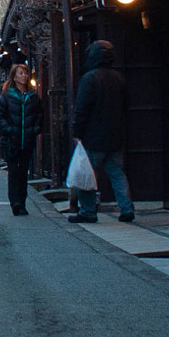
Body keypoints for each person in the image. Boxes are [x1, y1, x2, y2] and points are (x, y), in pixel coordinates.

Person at [69, 40, 134, 224]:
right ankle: (126, 208)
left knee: (86, 173)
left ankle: (88, 211)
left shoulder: (89, 78)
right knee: (117, 172)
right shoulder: (118, 78)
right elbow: (126, 106)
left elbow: (82, 108)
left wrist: (77, 132)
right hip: (115, 135)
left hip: (93, 135)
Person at [0, 63, 43, 216]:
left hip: (27, 139)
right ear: (14, 77)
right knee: (13, 172)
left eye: (26, 73)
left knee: (23, 172)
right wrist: (8, 129)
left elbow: (39, 115)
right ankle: (15, 203)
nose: (24, 76)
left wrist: (35, 129)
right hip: (12, 139)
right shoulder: (7, 96)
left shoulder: (33, 96)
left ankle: (22, 201)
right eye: (21, 73)